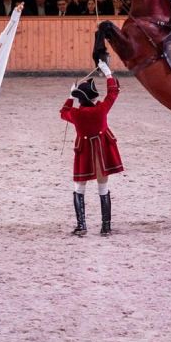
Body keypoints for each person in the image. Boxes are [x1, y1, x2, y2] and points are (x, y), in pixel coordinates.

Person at [59, 60, 123, 236]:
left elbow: (63, 112)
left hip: (85, 152)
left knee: (79, 188)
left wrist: (70, 97)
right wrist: (108, 73)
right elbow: (113, 92)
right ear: (94, 98)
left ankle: (82, 226)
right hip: (102, 151)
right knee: (103, 187)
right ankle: (106, 226)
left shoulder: (76, 114)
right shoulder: (101, 109)